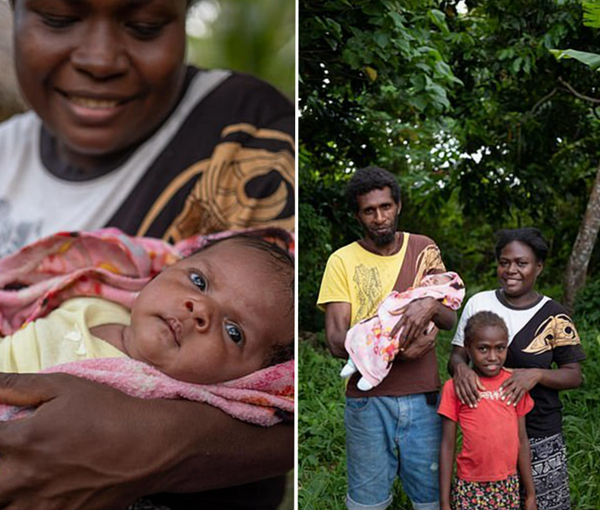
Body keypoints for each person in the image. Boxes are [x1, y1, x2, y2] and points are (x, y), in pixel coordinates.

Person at [0, 1, 294, 509]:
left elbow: (287, 398)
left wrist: (165, 440)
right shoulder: (6, 152)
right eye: (56, 18)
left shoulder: (245, 134)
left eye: (144, 26)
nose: (100, 59)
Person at [317, 166, 458, 510]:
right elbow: (336, 340)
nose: (379, 217)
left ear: (398, 206)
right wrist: (391, 348)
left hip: (423, 397)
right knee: (368, 502)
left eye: (385, 207)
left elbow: (449, 314)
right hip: (367, 403)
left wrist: (426, 305)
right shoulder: (342, 261)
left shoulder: (423, 249)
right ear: (358, 215)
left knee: (431, 500)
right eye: (369, 210)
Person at [0, 235, 294, 384]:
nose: (200, 309)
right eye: (198, 281)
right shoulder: (97, 305)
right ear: (166, 268)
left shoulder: (145, 403)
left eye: (234, 332)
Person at [448, 228, 585, 510]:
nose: (511, 270)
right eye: (504, 262)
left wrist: (536, 374)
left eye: (521, 263)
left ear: (539, 267)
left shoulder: (555, 315)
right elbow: (457, 357)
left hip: (539, 432)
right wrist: (460, 369)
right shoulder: (479, 303)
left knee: (543, 503)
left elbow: (573, 374)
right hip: (489, 438)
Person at [439, 311, 536, 510]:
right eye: (483, 349)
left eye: (500, 348)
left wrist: (530, 494)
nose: (492, 357)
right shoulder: (456, 387)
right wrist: (444, 501)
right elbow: (447, 445)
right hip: (469, 485)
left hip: (508, 484)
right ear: (467, 348)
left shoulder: (514, 384)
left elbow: (522, 439)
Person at [341, 272, 464, 391]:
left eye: (435, 281)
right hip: (386, 319)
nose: (431, 280)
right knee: (364, 329)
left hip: (399, 331)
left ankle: (371, 375)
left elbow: (449, 321)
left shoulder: (436, 297)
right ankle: (353, 362)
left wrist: (432, 306)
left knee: (386, 346)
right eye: (432, 278)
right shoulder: (419, 289)